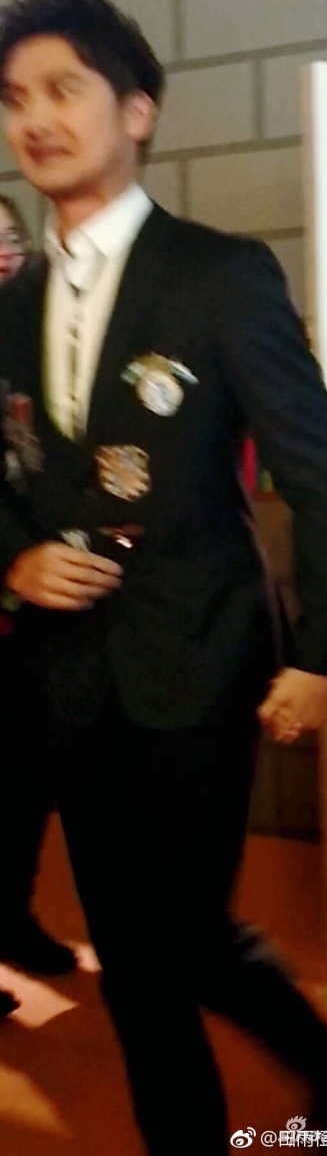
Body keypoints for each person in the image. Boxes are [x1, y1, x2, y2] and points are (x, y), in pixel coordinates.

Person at [0, 0, 327, 1155]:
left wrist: (325, 656)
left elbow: (319, 474)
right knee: (140, 948)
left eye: (64, 89)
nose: (35, 119)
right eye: (14, 98)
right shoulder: (13, 304)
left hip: (201, 660)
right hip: (67, 673)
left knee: (171, 941)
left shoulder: (218, 273)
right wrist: (15, 559)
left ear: (138, 110)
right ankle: (316, 1076)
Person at [0, 193, 75, 1015]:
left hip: (34, 613)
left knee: (25, 777)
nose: (1, 252)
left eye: (8, 236)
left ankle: (10, 916)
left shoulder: (42, 337)